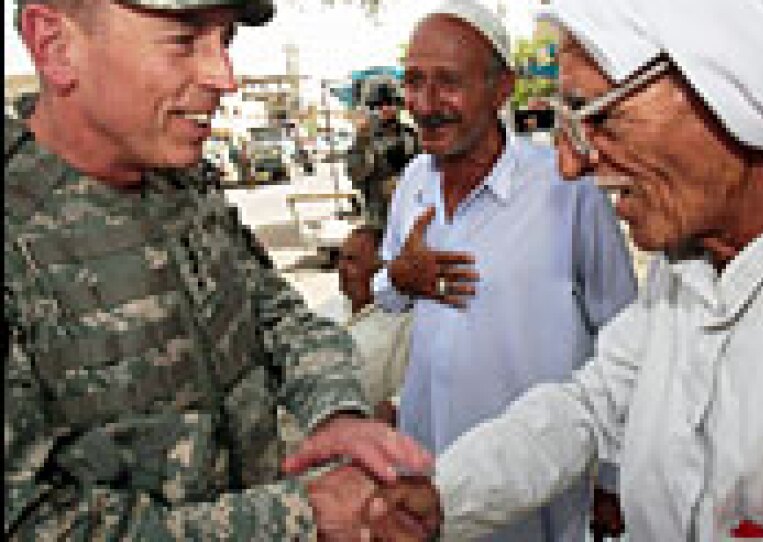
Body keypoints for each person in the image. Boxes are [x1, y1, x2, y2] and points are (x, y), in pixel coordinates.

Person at [287, 0, 763, 539]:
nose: (571, 163)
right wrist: (441, 495)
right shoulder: (688, 271)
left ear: (740, 88)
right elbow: (592, 405)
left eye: (600, 118)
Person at [5, 0, 439, 539]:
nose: (225, 77)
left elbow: (277, 316)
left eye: (225, 40)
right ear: (54, 44)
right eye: (184, 39)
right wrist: (302, 518)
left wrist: (337, 416)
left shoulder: (185, 187)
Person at [349, 1, 638, 540]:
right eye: (413, 82)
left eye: (448, 83)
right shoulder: (413, 181)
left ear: (502, 87)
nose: (425, 104)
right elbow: (387, 294)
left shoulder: (564, 188)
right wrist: (400, 280)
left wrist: (615, 474)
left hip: (531, 486)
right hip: (424, 472)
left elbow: (621, 331)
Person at [338, 226, 414, 425]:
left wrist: (394, 407)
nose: (341, 268)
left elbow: (413, 389)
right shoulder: (328, 310)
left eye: (352, 260)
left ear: (380, 269)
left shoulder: (404, 322)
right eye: (341, 258)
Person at [346, 79, 420, 233]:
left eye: (390, 103)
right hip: (379, 215)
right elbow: (355, 173)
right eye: (380, 105)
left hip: (410, 211)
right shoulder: (365, 138)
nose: (386, 108)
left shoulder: (411, 135)